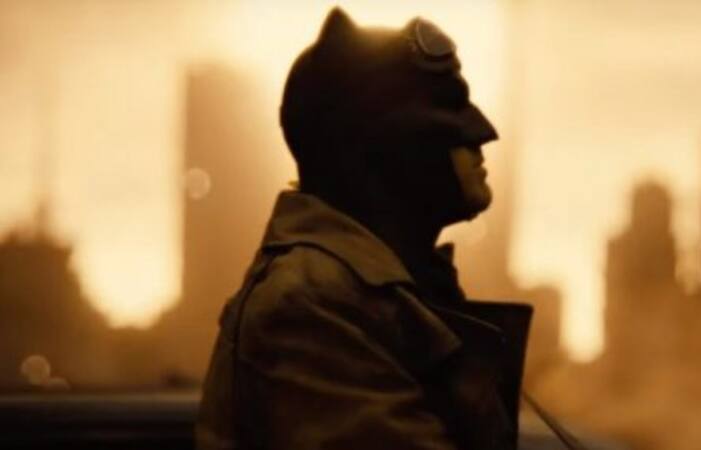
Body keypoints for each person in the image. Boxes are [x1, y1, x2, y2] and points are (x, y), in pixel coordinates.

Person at [196, 8, 533, 450]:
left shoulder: (382, 295)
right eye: (448, 122)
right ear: (393, 150)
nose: (483, 137)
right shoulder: (309, 306)